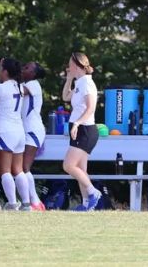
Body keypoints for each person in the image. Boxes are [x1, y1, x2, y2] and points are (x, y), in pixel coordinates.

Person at [62, 52, 101, 211]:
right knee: (81, 170)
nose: (68, 67)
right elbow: (65, 97)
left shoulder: (87, 83)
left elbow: (91, 108)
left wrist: (77, 123)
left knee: (68, 165)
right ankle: (87, 205)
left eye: (70, 64)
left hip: (85, 129)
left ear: (77, 66)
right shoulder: (79, 83)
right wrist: (69, 79)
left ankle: (93, 192)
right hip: (79, 129)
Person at [0, 57, 30, 211]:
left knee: (5, 170)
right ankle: (27, 203)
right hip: (19, 131)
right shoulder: (20, 87)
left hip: (5, 130)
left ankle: (12, 202)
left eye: (0, 68)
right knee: (18, 169)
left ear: (6, 72)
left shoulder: (1, 88)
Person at [21, 61, 47, 211]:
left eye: (27, 67)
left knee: (24, 167)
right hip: (26, 129)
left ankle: (35, 202)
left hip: (32, 129)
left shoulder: (33, 85)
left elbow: (16, 91)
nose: (23, 69)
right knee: (21, 168)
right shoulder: (26, 84)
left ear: (34, 74)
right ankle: (35, 202)